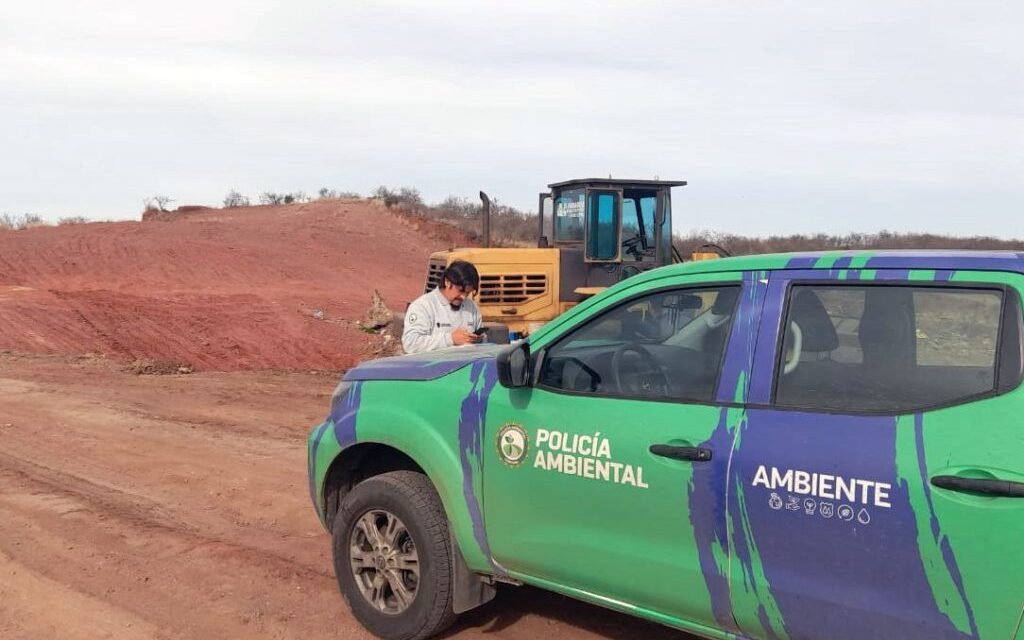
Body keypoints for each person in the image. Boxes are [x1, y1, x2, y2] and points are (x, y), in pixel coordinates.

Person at [402, 260, 483, 354]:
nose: (463, 297)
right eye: (460, 291)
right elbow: (410, 343)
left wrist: (477, 340)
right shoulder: (423, 306)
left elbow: (483, 342)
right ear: (447, 282)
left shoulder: (472, 307)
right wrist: (451, 339)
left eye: (467, 293)